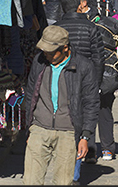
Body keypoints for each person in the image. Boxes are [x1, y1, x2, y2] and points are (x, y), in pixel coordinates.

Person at [23, 26, 100, 185]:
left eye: (51, 52)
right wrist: (29, 127)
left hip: (68, 131)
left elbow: (91, 103)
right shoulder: (39, 61)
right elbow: (30, 94)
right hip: (40, 127)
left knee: (63, 182)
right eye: (45, 51)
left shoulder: (84, 66)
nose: (47, 55)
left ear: (65, 48)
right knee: (30, 181)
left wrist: (85, 136)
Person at [54, 0, 105, 167]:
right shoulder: (91, 27)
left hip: (63, 76)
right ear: (79, 6)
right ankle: (88, 150)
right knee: (87, 111)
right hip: (87, 76)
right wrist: (97, 81)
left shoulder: (57, 28)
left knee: (68, 114)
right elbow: (99, 57)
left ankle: (70, 155)